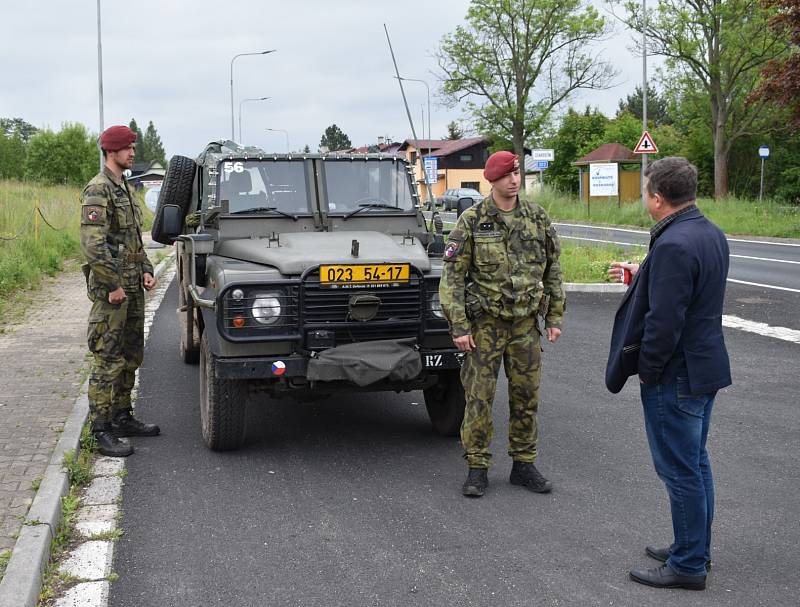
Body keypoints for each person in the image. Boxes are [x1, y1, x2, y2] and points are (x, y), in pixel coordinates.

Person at [605, 157, 731, 590]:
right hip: (705, 365)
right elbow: (694, 291)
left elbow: (665, 322)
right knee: (695, 463)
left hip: (677, 374)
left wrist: (648, 370)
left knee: (679, 470)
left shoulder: (674, 243)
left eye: (645, 193)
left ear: (657, 198)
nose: (645, 199)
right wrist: (646, 275)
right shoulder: (709, 232)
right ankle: (694, 547)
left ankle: (689, 564)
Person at [439, 151, 565, 498]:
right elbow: (452, 278)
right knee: (479, 397)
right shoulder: (472, 220)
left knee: (526, 395)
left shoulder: (536, 218)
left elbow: (553, 268)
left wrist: (554, 316)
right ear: (492, 180)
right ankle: (477, 468)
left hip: (525, 324)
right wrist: (459, 327)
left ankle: (524, 464)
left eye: (517, 173)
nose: (514, 179)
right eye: (507, 175)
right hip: (486, 326)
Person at [80, 125, 160, 457]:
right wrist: (112, 286)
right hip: (112, 291)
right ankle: (100, 430)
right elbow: (93, 247)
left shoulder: (124, 186)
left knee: (131, 354)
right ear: (112, 151)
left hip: (131, 286)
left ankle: (121, 416)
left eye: (132, 147)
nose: (132, 152)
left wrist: (146, 269)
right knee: (108, 358)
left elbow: (132, 238)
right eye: (128, 148)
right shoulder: (98, 190)